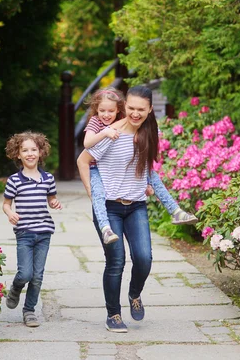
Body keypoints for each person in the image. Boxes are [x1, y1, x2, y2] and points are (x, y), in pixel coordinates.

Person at [77, 85, 161, 333]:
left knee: (144, 259)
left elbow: (143, 164)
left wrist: (146, 184)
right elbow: (83, 160)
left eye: (140, 109)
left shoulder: (148, 131)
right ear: (125, 108)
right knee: (116, 261)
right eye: (131, 108)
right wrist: (93, 194)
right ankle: (113, 314)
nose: (135, 113)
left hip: (136, 206)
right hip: (109, 208)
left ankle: (134, 294)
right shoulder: (110, 131)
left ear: (149, 110)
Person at [84, 87, 197, 246]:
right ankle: (105, 228)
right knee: (98, 195)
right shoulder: (98, 123)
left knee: (154, 177)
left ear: (118, 109)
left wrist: (147, 183)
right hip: (97, 168)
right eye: (102, 110)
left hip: (132, 190)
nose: (106, 114)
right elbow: (86, 148)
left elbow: (146, 159)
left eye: (111, 110)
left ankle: (175, 211)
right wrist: (106, 132)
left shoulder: (130, 122)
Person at [2, 131, 62, 328]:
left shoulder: (48, 178)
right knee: (25, 274)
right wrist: (10, 213)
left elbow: (51, 198)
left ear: (40, 152)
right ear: (17, 154)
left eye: (33, 149)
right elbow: (6, 204)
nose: (30, 153)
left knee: (37, 276)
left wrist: (54, 203)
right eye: (24, 150)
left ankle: (29, 311)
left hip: (44, 232)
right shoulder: (14, 180)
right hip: (24, 232)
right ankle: (15, 288)